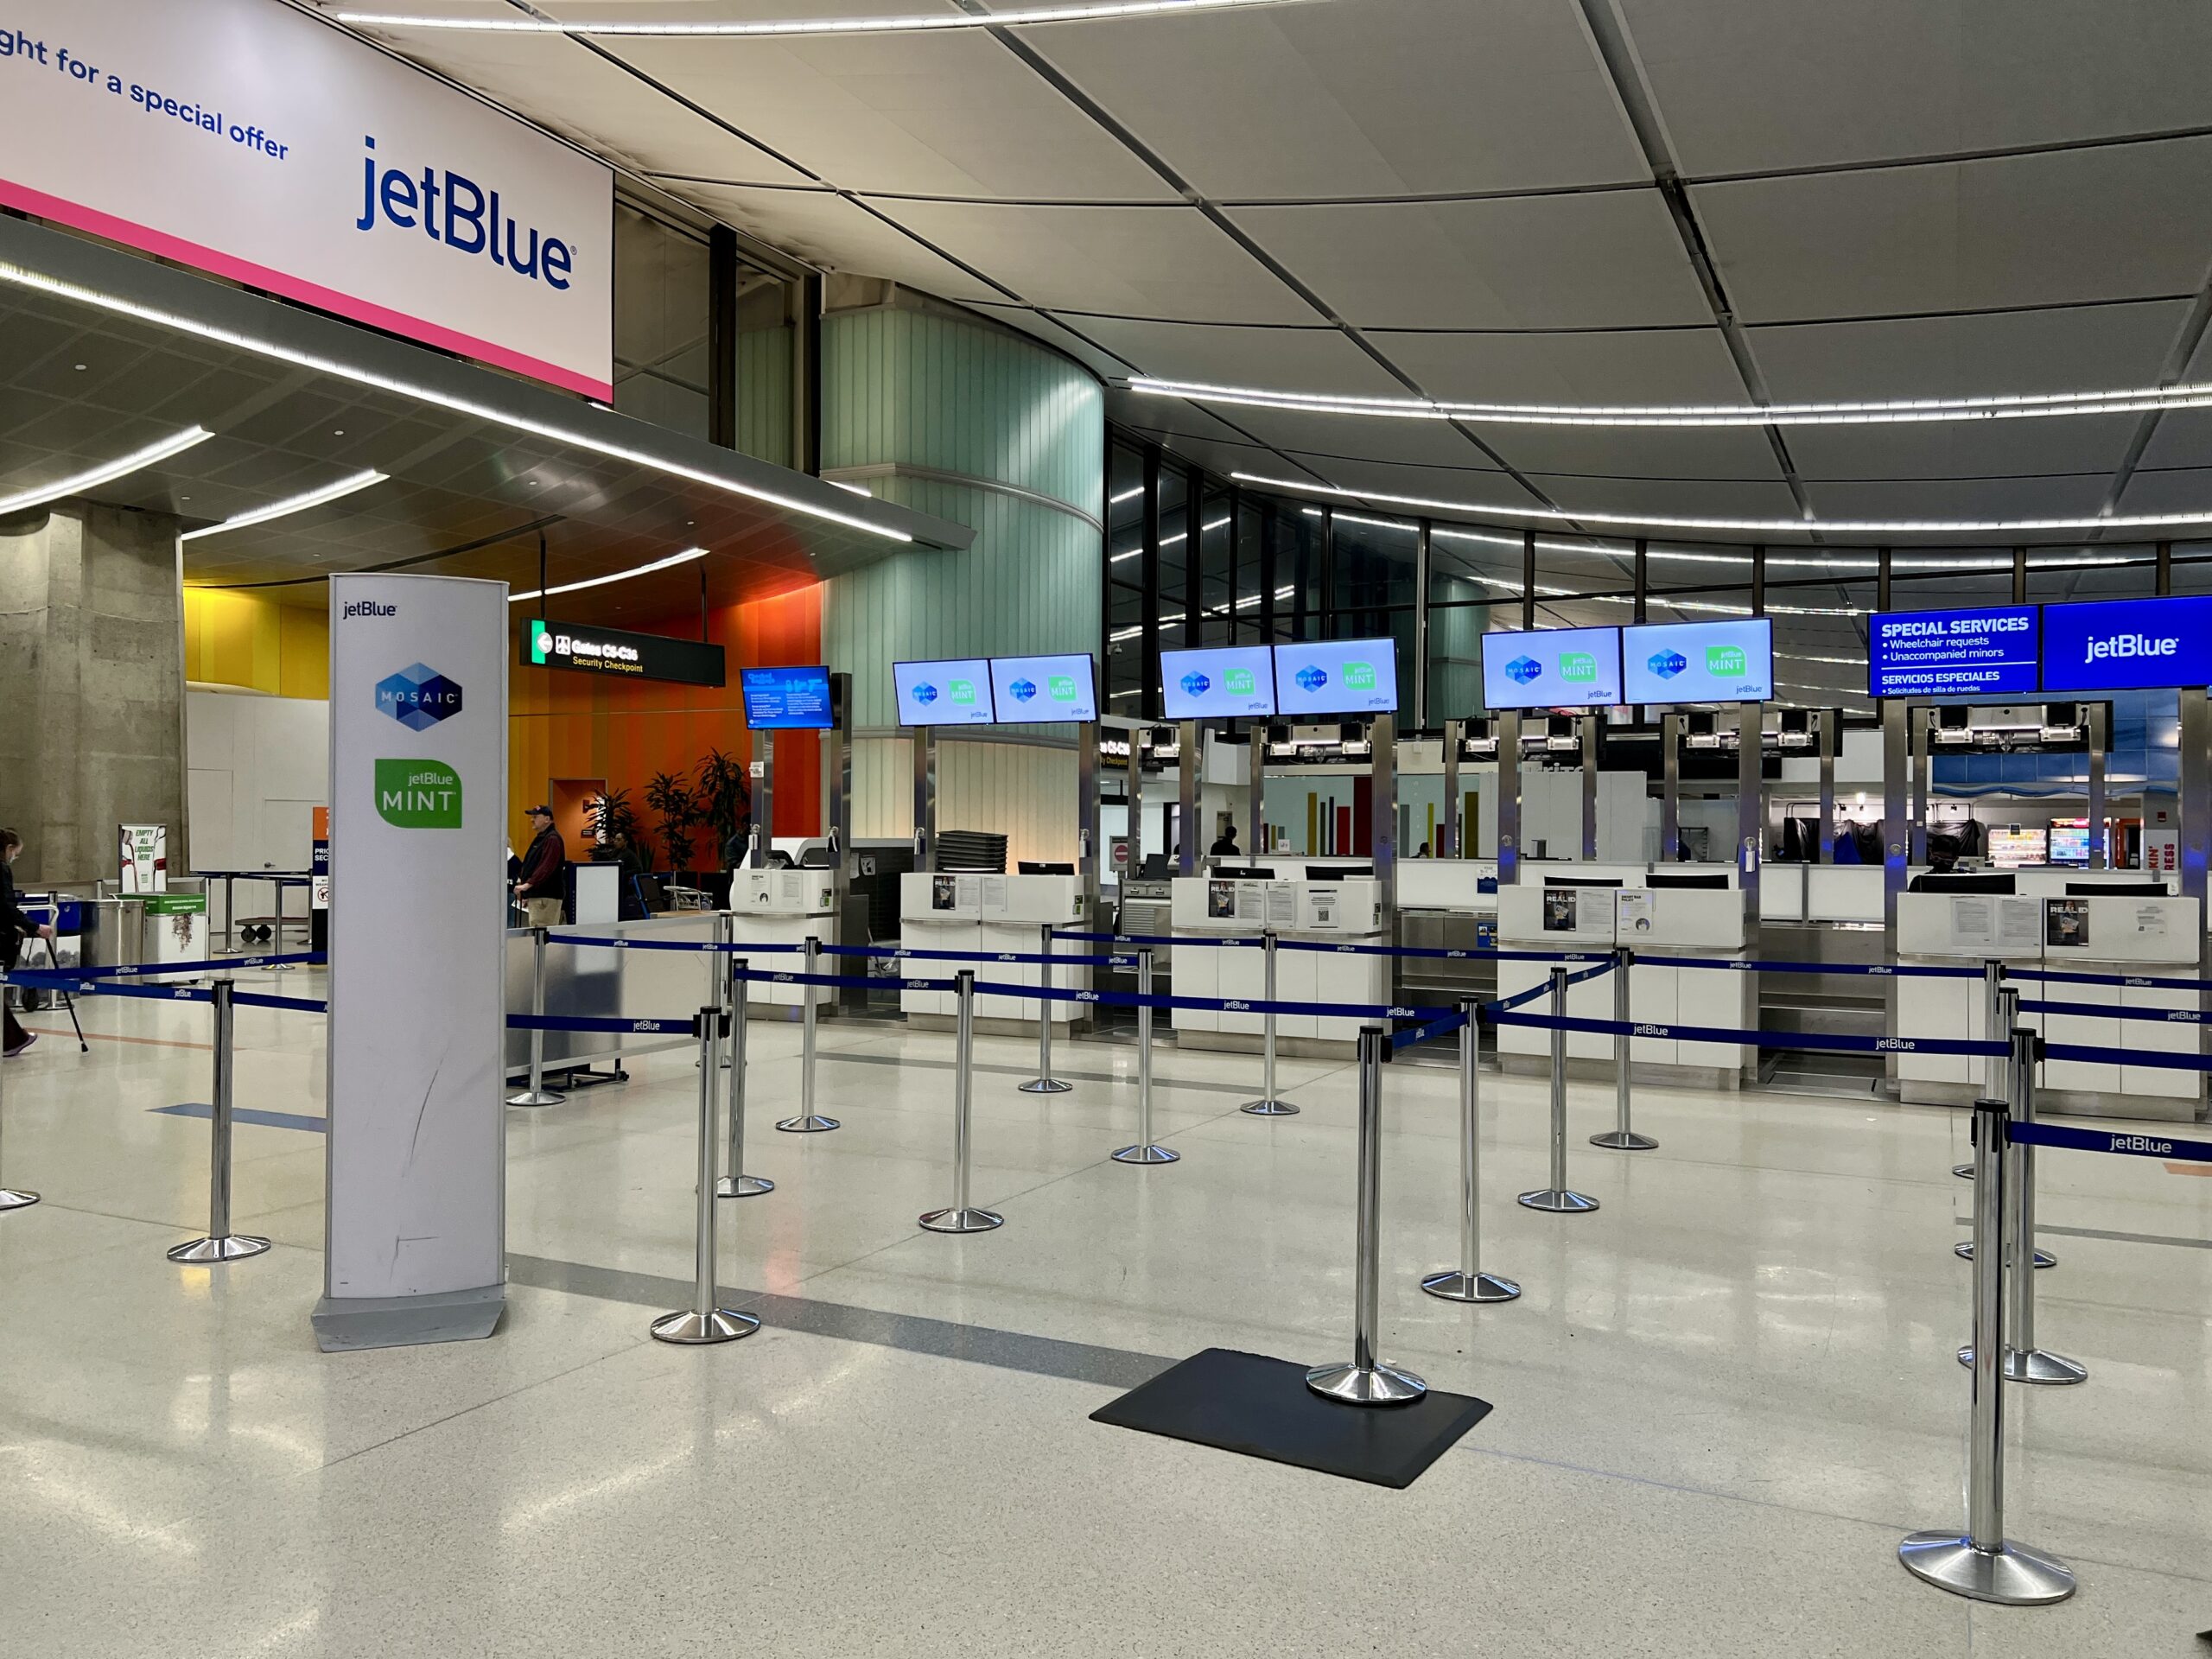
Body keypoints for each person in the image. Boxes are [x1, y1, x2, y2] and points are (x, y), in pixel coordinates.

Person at [1, 829, 55, 1059]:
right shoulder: (2, 869)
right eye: (17, 854)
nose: (15, 858)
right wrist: (34, 926)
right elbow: (4, 906)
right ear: (9, 849)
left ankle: (13, 1038)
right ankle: (13, 1039)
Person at [513, 804, 567, 929]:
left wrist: (527, 885)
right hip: (539, 895)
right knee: (538, 933)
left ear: (547, 819)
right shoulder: (542, 839)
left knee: (541, 935)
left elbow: (546, 867)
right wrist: (528, 894)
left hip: (545, 897)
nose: (532, 819)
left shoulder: (552, 839)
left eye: (536, 816)